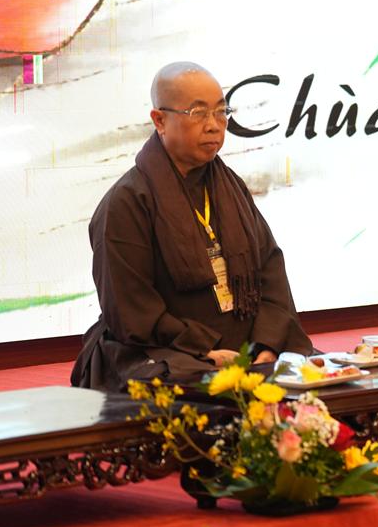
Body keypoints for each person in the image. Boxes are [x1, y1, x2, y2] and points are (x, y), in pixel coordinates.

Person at [71, 62, 313, 391]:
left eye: (221, 112)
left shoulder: (230, 188)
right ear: (159, 120)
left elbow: (271, 272)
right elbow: (130, 312)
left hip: (247, 348)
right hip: (169, 349)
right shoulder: (127, 203)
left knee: (314, 376)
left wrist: (267, 346)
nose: (214, 126)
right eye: (198, 113)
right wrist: (205, 352)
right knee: (187, 381)